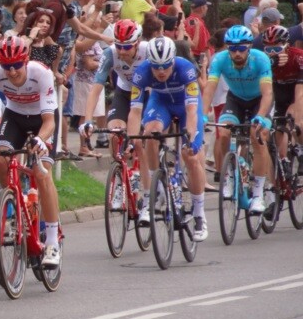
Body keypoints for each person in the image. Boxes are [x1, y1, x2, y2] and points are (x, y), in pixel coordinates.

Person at [0, 36, 62, 268]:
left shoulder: (41, 73)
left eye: (16, 65)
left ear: (25, 60)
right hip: (15, 117)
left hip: (42, 120)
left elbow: (49, 121)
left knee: (41, 174)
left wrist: (40, 139)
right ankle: (14, 202)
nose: (12, 71)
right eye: (7, 66)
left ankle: (51, 241)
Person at [126, 36, 208, 240]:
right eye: (156, 67)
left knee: (190, 155)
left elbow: (191, 110)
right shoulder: (141, 73)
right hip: (160, 103)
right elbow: (135, 112)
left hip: (186, 105)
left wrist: (190, 135)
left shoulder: (186, 68)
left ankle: (199, 213)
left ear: (173, 61)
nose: (161, 71)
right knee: (150, 133)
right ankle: (158, 184)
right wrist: (131, 140)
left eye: (165, 66)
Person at [201, 25, 273, 215]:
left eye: (241, 48)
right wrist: (201, 114)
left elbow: (267, 93)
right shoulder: (220, 59)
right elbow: (210, 88)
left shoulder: (261, 59)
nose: (237, 53)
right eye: (232, 48)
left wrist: (261, 116)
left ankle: (257, 194)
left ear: (249, 47)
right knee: (224, 132)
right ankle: (229, 175)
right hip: (236, 100)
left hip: (259, 101)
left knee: (256, 136)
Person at [79, 20, 149, 162]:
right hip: (124, 92)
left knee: (139, 139)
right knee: (114, 135)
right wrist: (87, 121)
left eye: (127, 47)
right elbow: (95, 90)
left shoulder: (148, 50)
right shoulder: (110, 53)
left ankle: (145, 174)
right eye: (119, 46)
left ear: (138, 42)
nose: (122, 52)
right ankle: (119, 175)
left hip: (148, 94)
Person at [259, 26, 302, 175]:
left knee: (294, 120)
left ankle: (300, 147)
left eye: (276, 50)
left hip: (297, 91)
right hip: (277, 93)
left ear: (287, 45)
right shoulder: (265, 60)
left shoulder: (298, 57)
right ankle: (283, 161)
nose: (272, 53)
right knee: (278, 128)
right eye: (268, 50)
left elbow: (300, 92)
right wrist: (271, 64)